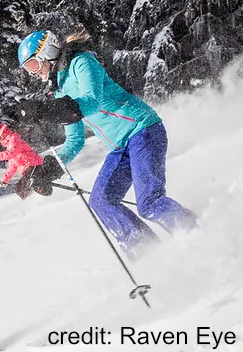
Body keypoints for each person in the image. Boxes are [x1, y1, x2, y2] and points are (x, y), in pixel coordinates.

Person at [16, 29, 197, 260]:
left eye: (32, 65)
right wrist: (50, 169)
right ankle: (149, 253)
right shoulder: (59, 89)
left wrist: (44, 110)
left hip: (143, 130)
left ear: (47, 51)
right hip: (120, 148)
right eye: (28, 69)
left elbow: (92, 101)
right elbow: (74, 139)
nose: (34, 73)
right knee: (101, 201)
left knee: (149, 203)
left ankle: (197, 233)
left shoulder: (81, 62)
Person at [0, 123, 44, 198]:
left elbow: (11, 153)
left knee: (24, 187)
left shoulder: (14, 139)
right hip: (28, 169)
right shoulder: (9, 146)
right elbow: (12, 167)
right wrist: (4, 180)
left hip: (33, 165)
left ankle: (40, 196)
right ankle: (32, 200)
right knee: (19, 189)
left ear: (3, 133)